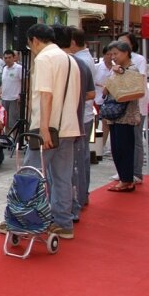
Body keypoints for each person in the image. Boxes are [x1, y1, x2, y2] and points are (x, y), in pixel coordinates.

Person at [0, 24, 81, 240]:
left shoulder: (44, 58)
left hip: (48, 128)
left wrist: (43, 129)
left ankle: (18, 221)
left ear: (34, 40)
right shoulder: (70, 59)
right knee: (62, 177)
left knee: (29, 174)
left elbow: (46, 95)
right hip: (69, 127)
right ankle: (63, 223)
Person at [57, 25, 96, 218]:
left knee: (71, 166)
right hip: (80, 117)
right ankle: (79, 199)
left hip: (74, 120)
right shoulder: (82, 61)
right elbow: (91, 92)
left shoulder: (75, 62)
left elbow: (89, 93)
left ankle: (73, 205)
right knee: (78, 162)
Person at [104, 41, 144, 193]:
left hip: (126, 115)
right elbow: (106, 90)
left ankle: (127, 180)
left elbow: (135, 90)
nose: (113, 57)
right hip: (114, 113)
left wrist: (120, 73)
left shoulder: (132, 69)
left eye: (116, 53)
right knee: (117, 148)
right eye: (111, 54)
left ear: (126, 52)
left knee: (124, 148)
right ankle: (124, 178)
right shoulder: (116, 70)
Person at [116, 32, 148, 183]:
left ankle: (136, 172)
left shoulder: (138, 60)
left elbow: (138, 80)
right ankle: (124, 172)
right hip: (121, 106)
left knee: (135, 139)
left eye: (124, 42)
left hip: (136, 105)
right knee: (122, 141)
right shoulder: (117, 61)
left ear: (132, 45)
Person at [0, 50, 23, 134]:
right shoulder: (4, 68)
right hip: (4, 98)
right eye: (5, 58)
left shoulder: (19, 68)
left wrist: (21, 95)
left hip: (14, 99)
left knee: (13, 122)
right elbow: (4, 82)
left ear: (14, 58)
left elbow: (25, 82)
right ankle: (7, 139)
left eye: (9, 57)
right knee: (5, 121)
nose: (7, 60)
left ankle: (15, 140)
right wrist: (1, 91)